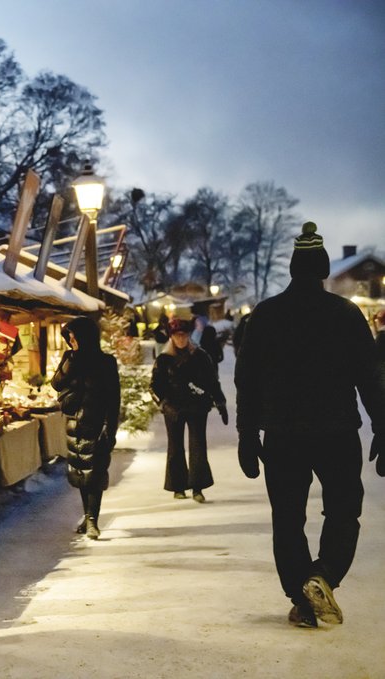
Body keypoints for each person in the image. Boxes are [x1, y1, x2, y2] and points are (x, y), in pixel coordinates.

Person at [235, 221, 385, 629]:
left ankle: (301, 597)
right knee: (342, 512)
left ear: (292, 270)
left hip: (283, 435)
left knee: (287, 518)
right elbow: (371, 377)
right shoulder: (346, 314)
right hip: (337, 432)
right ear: (321, 270)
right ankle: (324, 575)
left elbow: (246, 380)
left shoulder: (265, 316)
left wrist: (247, 434)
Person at [50, 316, 121, 540]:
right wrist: (72, 358)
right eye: (69, 336)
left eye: (74, 336)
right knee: (80, 473)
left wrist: (111, 428)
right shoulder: (70, 358)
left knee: (96, 474)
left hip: (97, 425)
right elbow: (56, 383)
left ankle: (93, 520)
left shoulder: (106, 362)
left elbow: (114, 398)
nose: (71, 340)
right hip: (74, 426)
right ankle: (87, 515)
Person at [151, 316, 228, 502]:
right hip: (173, 409)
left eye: (184, 335)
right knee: (175, 447)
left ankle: (197, 487)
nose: (181, 339)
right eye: (177, 336)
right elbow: (154, 386)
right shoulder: (164, 359)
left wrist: (220, 402)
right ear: (171, 337)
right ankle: (178, 486)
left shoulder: (200, 356)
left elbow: (211, 381)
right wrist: (163, 403)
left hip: (197, 406)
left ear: (188, 336)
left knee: (198, 446)